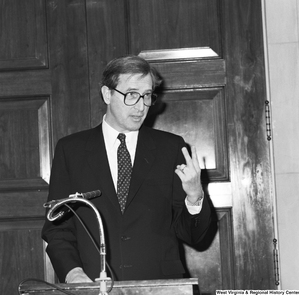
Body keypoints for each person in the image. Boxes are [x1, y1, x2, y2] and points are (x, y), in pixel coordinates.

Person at [41, 55, 211, 284]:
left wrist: (194, 196)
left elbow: (195, 237)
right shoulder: (71, 150)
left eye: (147, 96)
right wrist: (74, 274)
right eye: (131, 95)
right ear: (107, 94)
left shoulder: (171, 148)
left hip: (160, 286)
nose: (141, 106)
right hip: (94, 286)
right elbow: (57, 228)